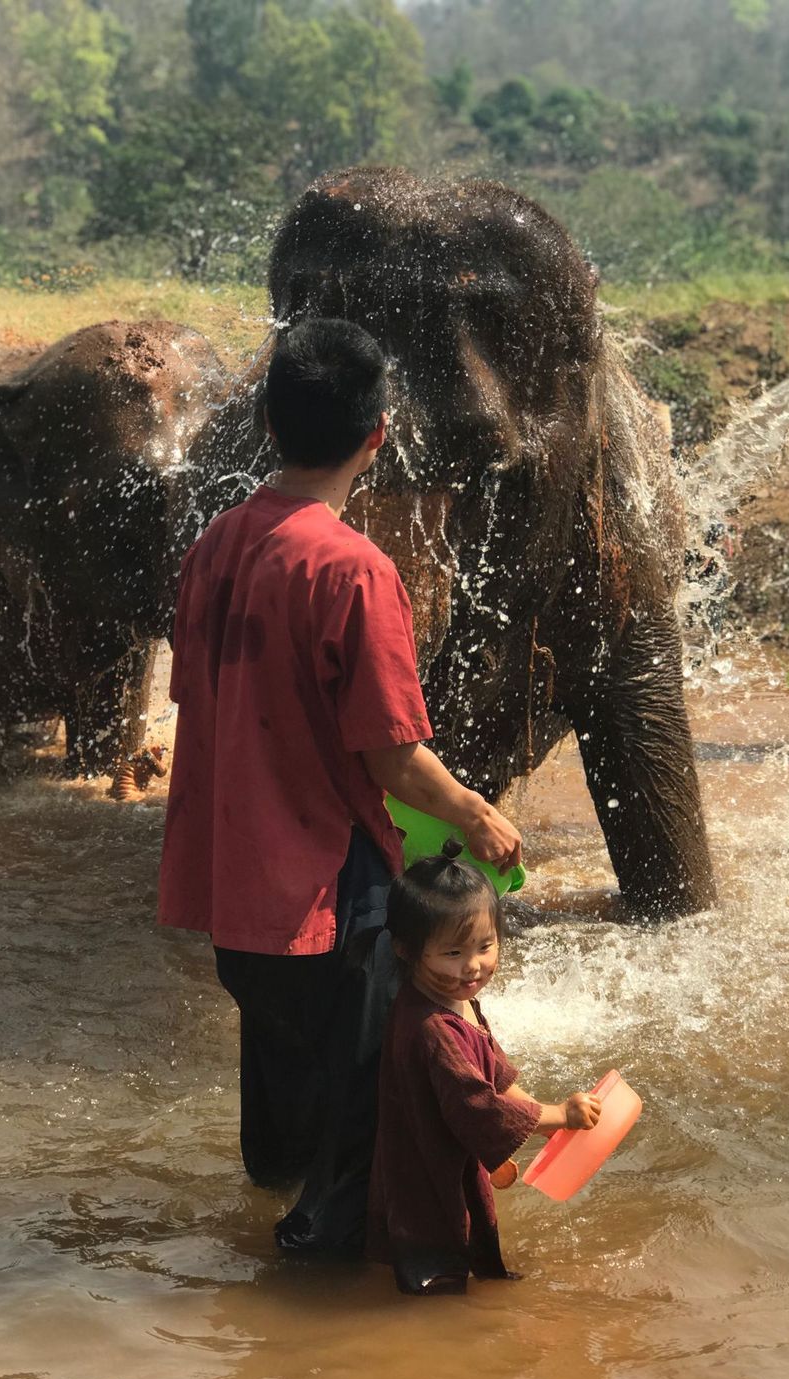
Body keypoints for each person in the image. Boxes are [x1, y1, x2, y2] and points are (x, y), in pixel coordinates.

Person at [158, 316, 522, 1254]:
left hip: (235, 895)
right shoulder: (354, 569)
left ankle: (250, 1303)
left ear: (272, 430)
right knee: (363, 1140)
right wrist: (478, 816)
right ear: (380, 435)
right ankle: (317, 1328)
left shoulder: (213, 546)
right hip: (329, 900)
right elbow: (392, 755)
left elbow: (198, 701)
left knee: (280, 1124)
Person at [368, 840, 601, 1296]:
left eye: (485, 946)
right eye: (452, 953)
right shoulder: (431, 1028)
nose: (472, 966)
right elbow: (477, 1107)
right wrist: (556, 1116)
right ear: (406, 950)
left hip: (443, 1158)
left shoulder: (455, 1000)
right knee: (435, 1272)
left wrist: (542, 1114)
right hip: (425, 1173)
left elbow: (494, 1073)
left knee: (461, 1251)